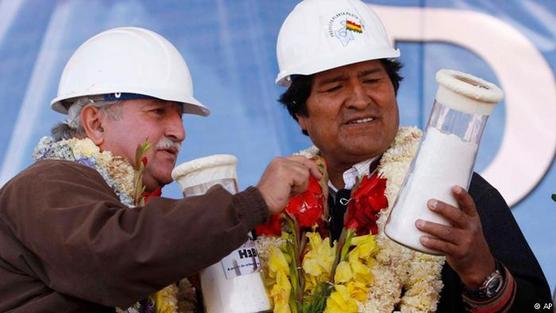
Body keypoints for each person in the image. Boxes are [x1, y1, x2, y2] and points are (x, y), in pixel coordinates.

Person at [0, 27, 321, 312]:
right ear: (95, 122)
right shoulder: (44, 184)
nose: (179, 131)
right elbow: (116, 255)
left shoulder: (133, 206)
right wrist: (253, 203)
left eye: (180, 115)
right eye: (158, 112)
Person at [275, 0, 552, 312]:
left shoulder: (456, 194)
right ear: (300, 113)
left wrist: (482, 273)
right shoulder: (281, 212)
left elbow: (540, 307)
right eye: (335, 87)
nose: (360, 99)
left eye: (371, 80)